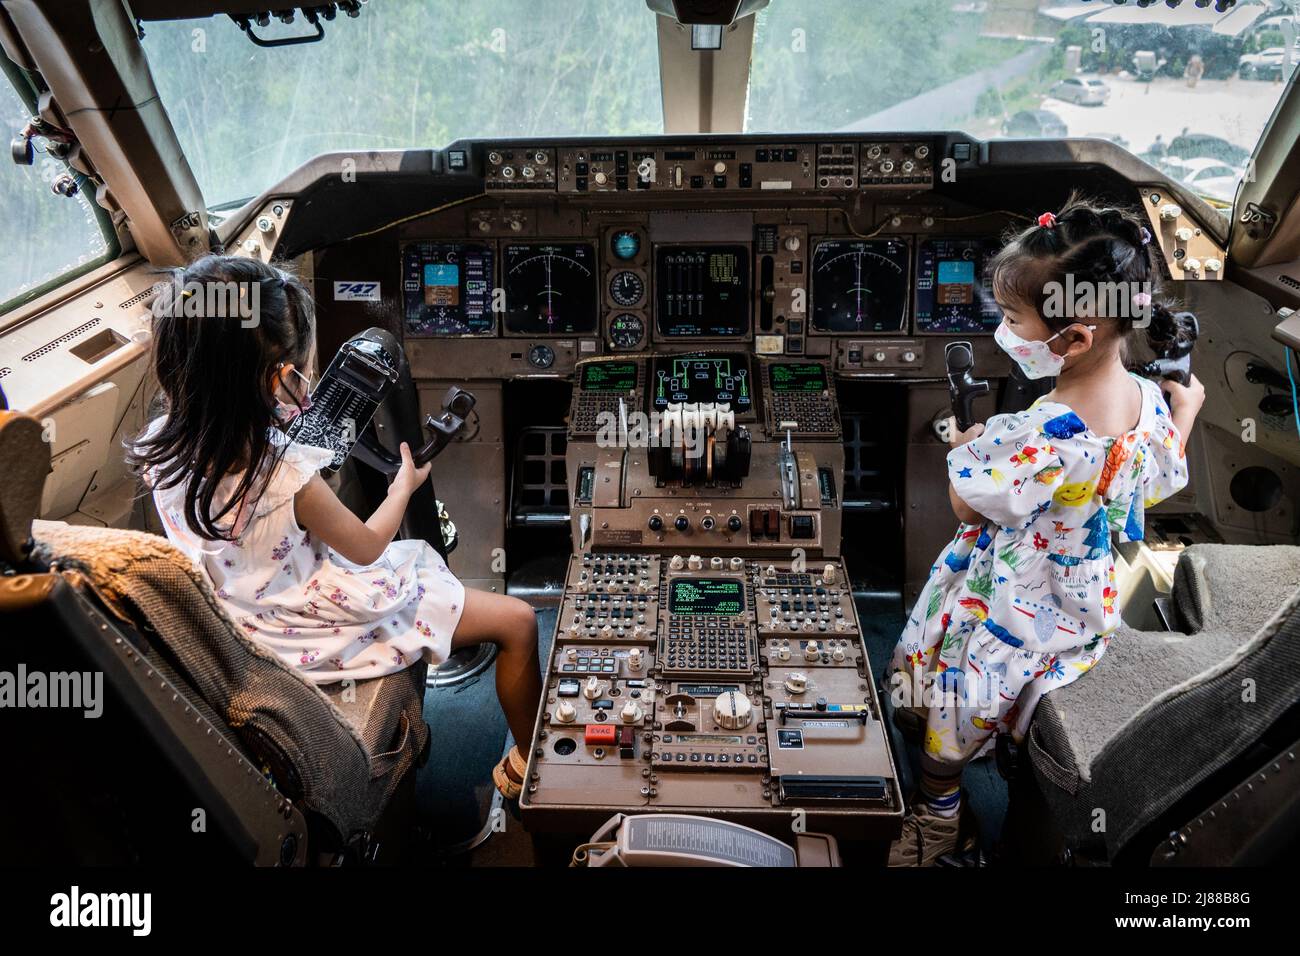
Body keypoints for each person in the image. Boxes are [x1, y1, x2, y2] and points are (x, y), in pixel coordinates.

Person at [128, 254, 541, 798]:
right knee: (519, 622)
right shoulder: (285, 474)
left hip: (240, 626)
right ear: (278, 375)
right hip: (309, 631)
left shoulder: (162, 449)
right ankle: (527, 767)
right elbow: (369, 546)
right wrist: (404, 486)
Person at [886, 199, 1206, 865]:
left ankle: (939, 814)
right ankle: (993, 748)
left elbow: (968, 509)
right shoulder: (1148, 401)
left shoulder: (1038, 433)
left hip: (1007, 606)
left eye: (1012, 320)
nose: (1005, 332)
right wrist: (1186, 411)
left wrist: (968, 445)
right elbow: (1159, 474)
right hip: (1083, 606)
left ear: (1077, 337)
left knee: (949, 717)